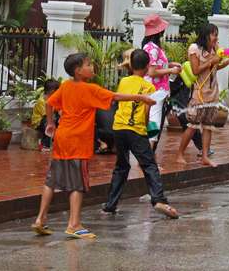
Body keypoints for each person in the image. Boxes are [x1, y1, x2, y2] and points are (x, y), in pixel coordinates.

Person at [31, 53, 156, 239]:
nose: (92, 67)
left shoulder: (65, 87)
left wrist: (50, 123)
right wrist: (142, 98)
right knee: (78, 184)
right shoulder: (89, 89)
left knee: (51, 180)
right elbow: (115, 97)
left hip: (62, 138)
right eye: (88, 65)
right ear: (78, 71)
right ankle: (74, 224)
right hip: (78, 141)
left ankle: (40, 219)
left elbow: (49, 103)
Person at [101, 49, 179, 218]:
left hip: (119, 128)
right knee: (149, 165)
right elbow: (145, 111)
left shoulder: (123, 82)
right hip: (136, 129)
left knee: (121, 166)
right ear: (147, 66)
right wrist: (145, 127)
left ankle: (110, 204)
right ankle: (158, 199)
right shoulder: (148, 86)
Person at [175, 24, 229, 167]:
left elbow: (215, 68)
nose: (216, 38)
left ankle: (205, 156)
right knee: (192, 125)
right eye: (213, 34)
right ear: (205, 35)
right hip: (199, 94)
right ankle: (179, 154)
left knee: (208, 126)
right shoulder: (195, 49)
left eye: (216, 34)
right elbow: (195, 70)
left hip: (212, 94)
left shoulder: (213, 50)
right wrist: (211, 61)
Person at [142, 14, 182, 149]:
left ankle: (147, 160)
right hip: (155, 90)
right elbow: (152, 72)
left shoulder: (152, 47)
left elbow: (156, 66)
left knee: (153, 124)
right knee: (154, 125)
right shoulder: (152, 48)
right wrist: (171, 71)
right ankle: (147, 161)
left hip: (157, 91)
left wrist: (170, 65)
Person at [31, 79, 60, 152]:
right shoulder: (41, 101)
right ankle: (45, 144)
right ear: (53, 92)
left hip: (50, 119)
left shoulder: (53, 100)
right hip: (39, 122)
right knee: (48, 122)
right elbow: (47, 114)